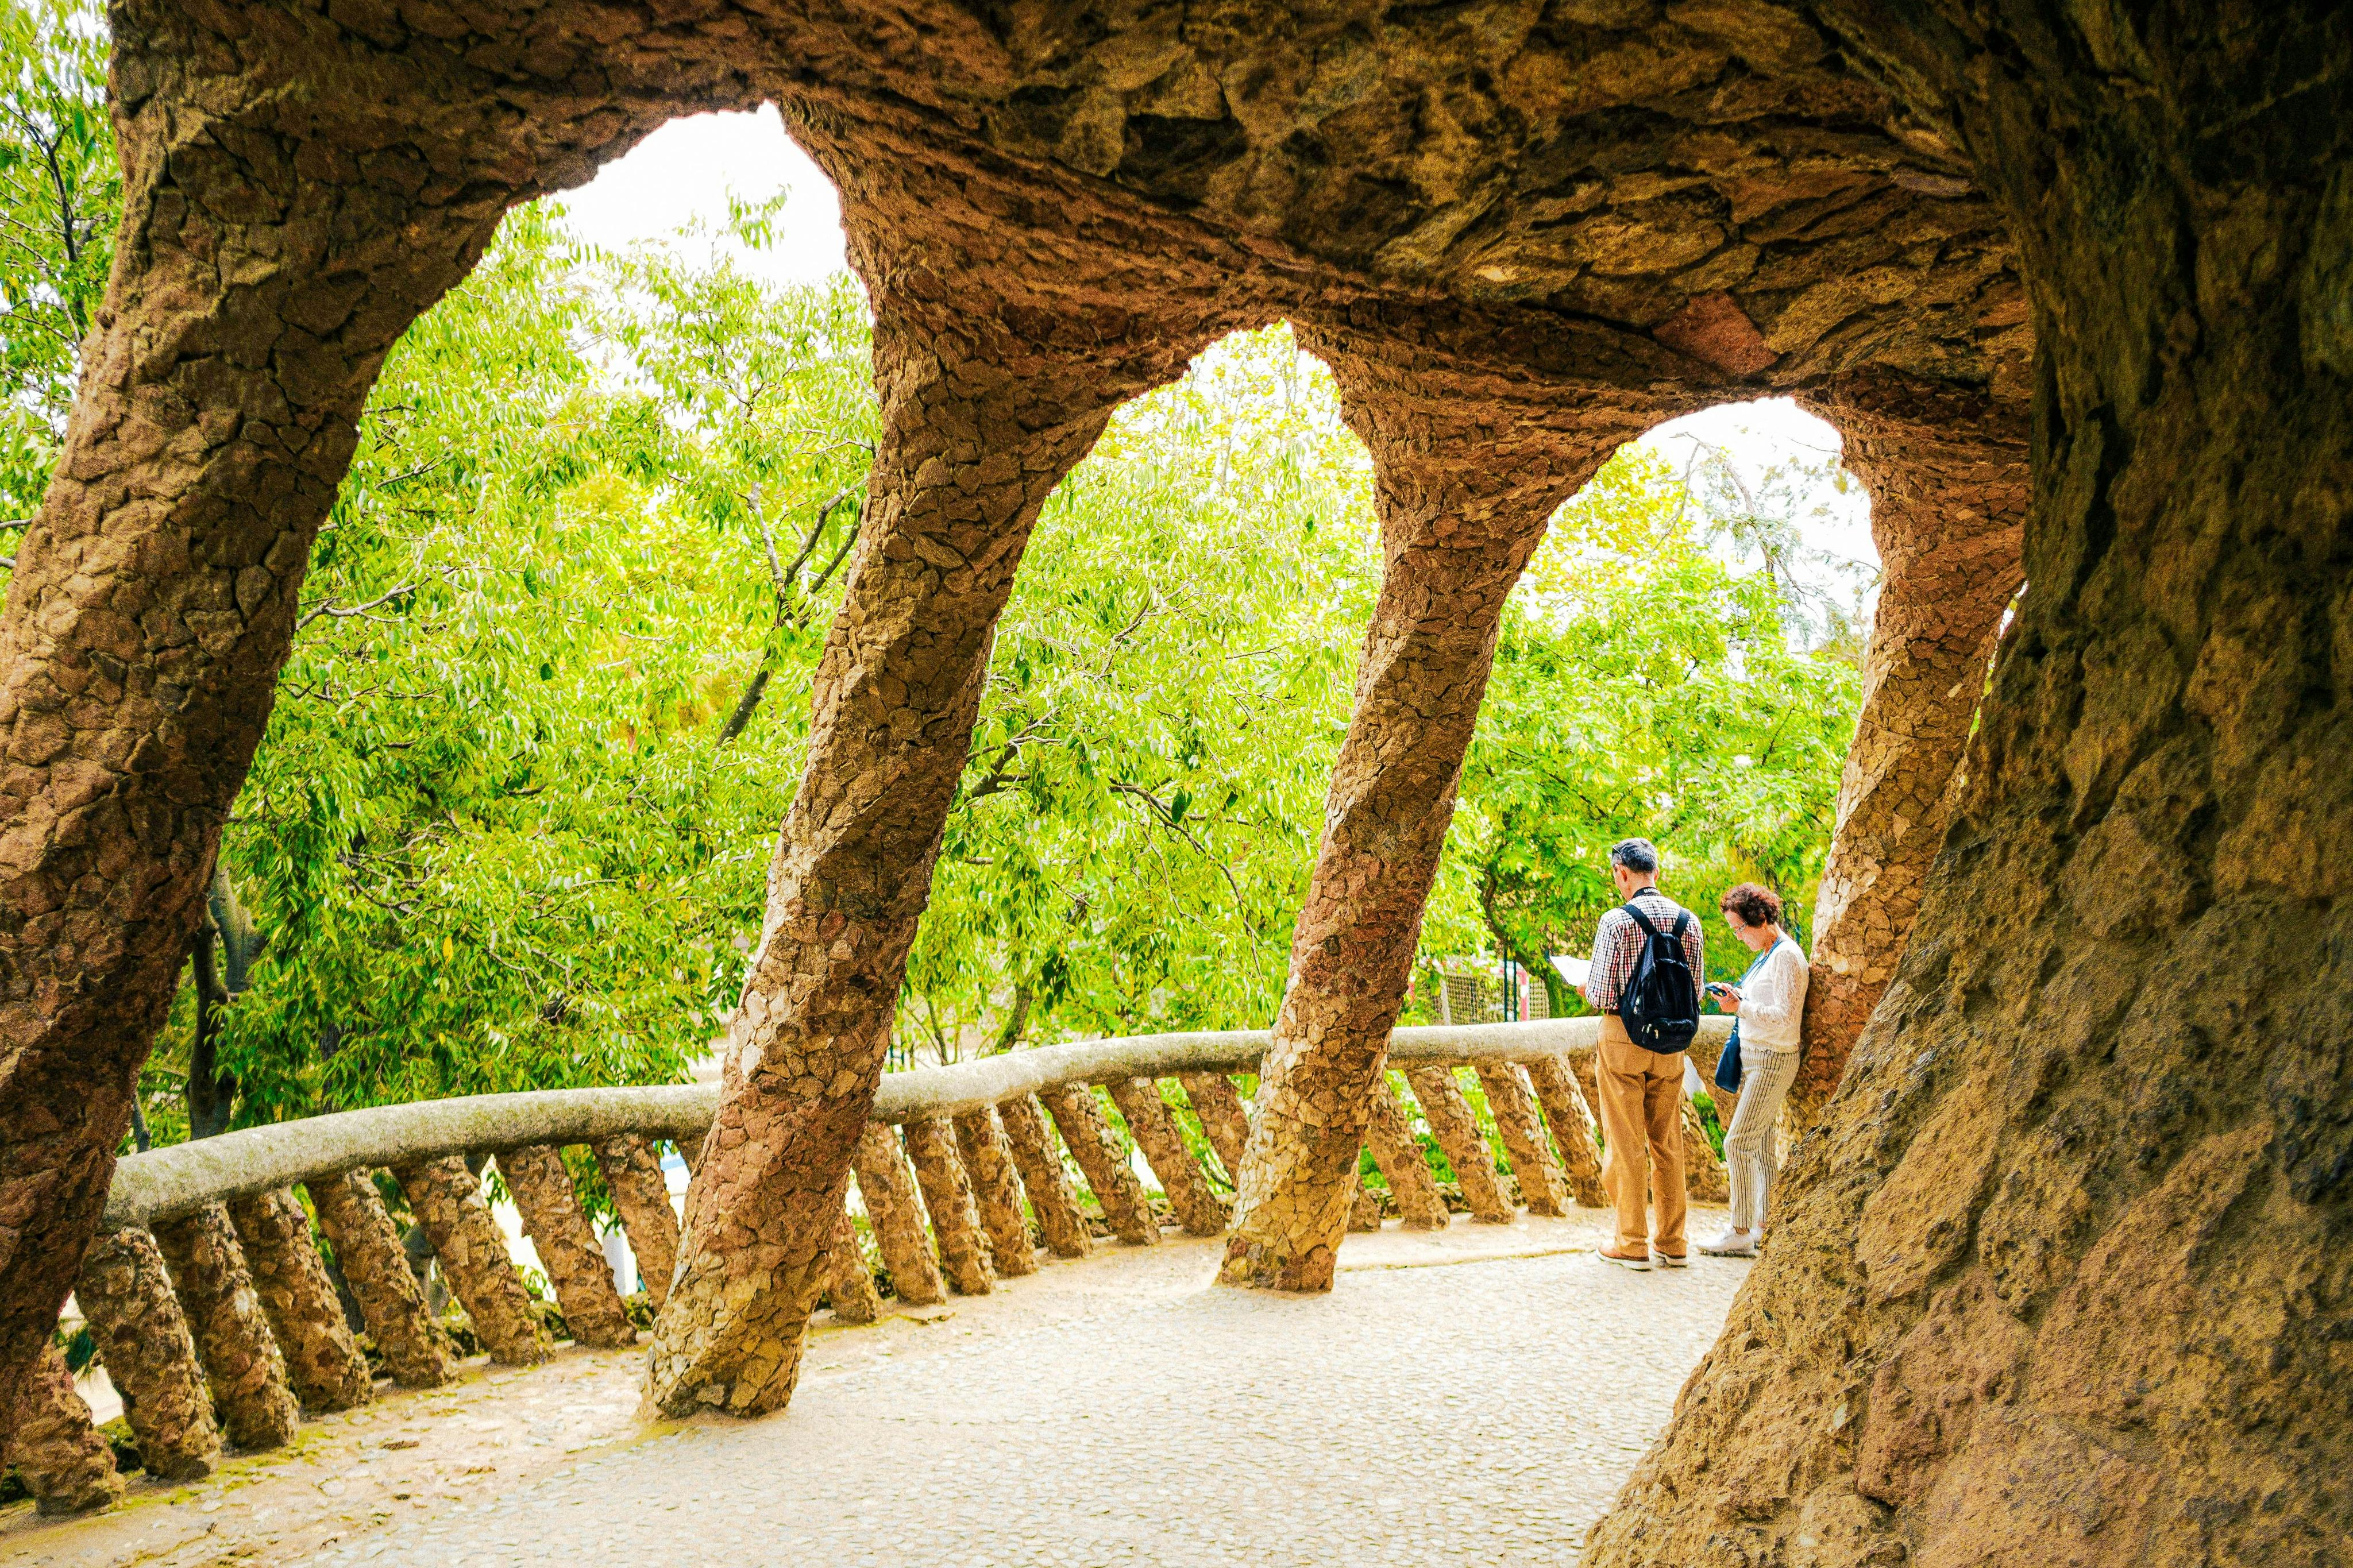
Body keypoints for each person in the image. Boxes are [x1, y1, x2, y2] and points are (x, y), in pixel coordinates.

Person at [1579, 838, 1708, 1270]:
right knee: (1668, 1142)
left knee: (1627, 1142)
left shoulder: (1616, 922)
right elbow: (1697, 992)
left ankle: (1631, 1243)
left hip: (1623, 1038)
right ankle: (1673, 1242)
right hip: (1671, 1044)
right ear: (1658, 871)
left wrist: (1582, 985)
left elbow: (1598, 994)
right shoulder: (1690, 923)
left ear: (1621, 873)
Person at [1698, 882, 1810, 1258]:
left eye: (1740, 928)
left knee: (1737, 1142)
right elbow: (1767, 1002)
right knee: (1760, 1149)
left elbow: (1786, 1016)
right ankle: (1765, 1224)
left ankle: (1740, 1229)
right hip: (1757, 1056)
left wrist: (1740, 1009)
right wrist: (1739, 997)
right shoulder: (1768, 954)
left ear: (1761, 919)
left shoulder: (1787, 957)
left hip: (1774, 1059)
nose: (1738, 936)